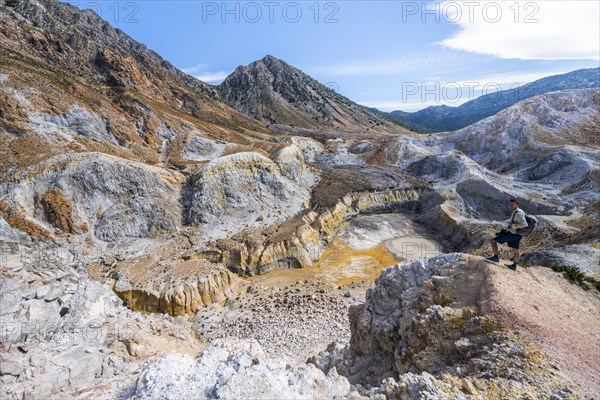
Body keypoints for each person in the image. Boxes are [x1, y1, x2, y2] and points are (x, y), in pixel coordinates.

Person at [486, 198, 528, 270]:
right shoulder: (516, 211)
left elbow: (524, 224)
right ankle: (514, 266)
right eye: (510, 204)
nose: (510, 206)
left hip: (513, 234)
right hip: (517, 234)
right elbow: (512, 220)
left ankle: (496, 257)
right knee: (515, 249)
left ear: (517, 204)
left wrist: (513, 226)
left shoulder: (518, 213)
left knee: (493, 241)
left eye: (512, 204)